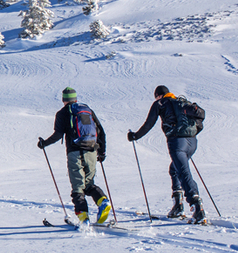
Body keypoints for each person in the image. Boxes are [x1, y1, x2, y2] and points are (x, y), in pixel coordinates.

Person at [127, 85, 206, 223]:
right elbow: (199, 122)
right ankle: (178, 205)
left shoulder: (161, 103)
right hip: (192, 142)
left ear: (158, 95)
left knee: (183, 173)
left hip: (177, 143)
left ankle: (197, 207)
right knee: (174, 170)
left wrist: (135, 136)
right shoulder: (182, 102)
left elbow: (148, 124)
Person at [37, 87, 111, 224]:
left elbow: (58, 134)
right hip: (91, 150)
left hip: (74, 152)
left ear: (63, 99)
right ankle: (103, 201)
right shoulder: (87, 110)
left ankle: (84, 220)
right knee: (88, 184)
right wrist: (102, 152)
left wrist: (44, 143)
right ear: (75, 98)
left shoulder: (62, 113)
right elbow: (101, 131)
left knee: (77, 187)